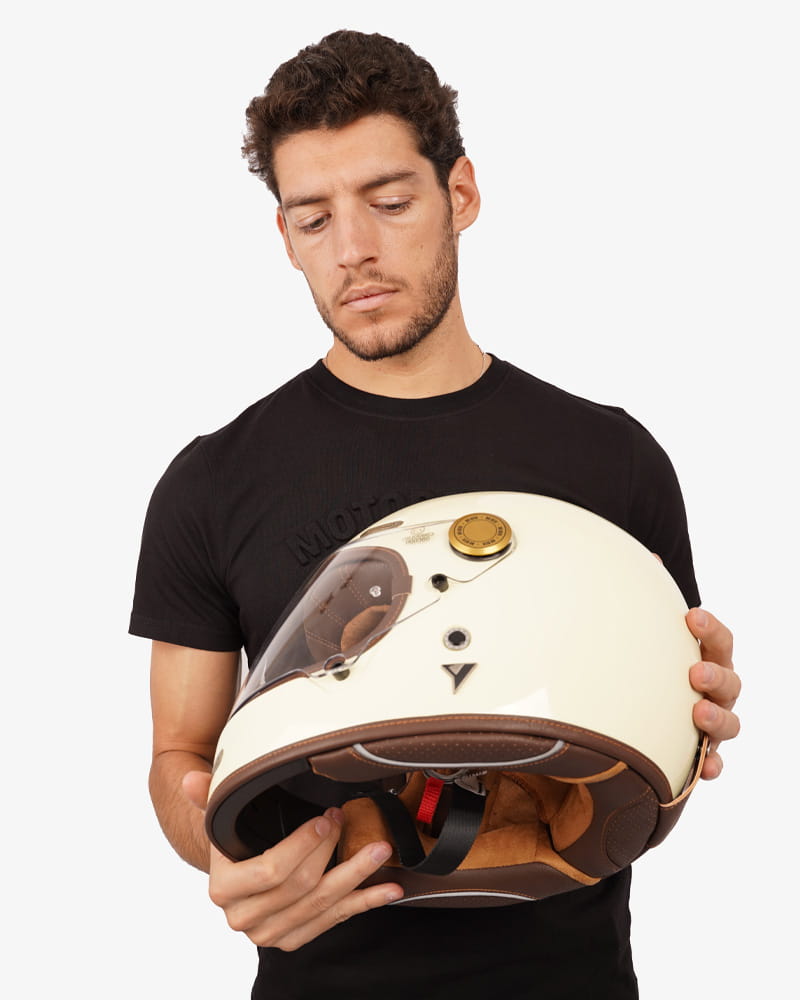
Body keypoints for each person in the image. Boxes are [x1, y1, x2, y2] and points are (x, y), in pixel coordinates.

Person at [130, 29, 741, 999]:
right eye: (314, 218)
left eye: (389, 202)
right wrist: (217, 840)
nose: (354, 251)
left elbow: (665, 735)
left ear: (460, 193)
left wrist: (690, 716)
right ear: (284, 237)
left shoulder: (613, 460)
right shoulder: (211, 481)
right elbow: (179, 755)